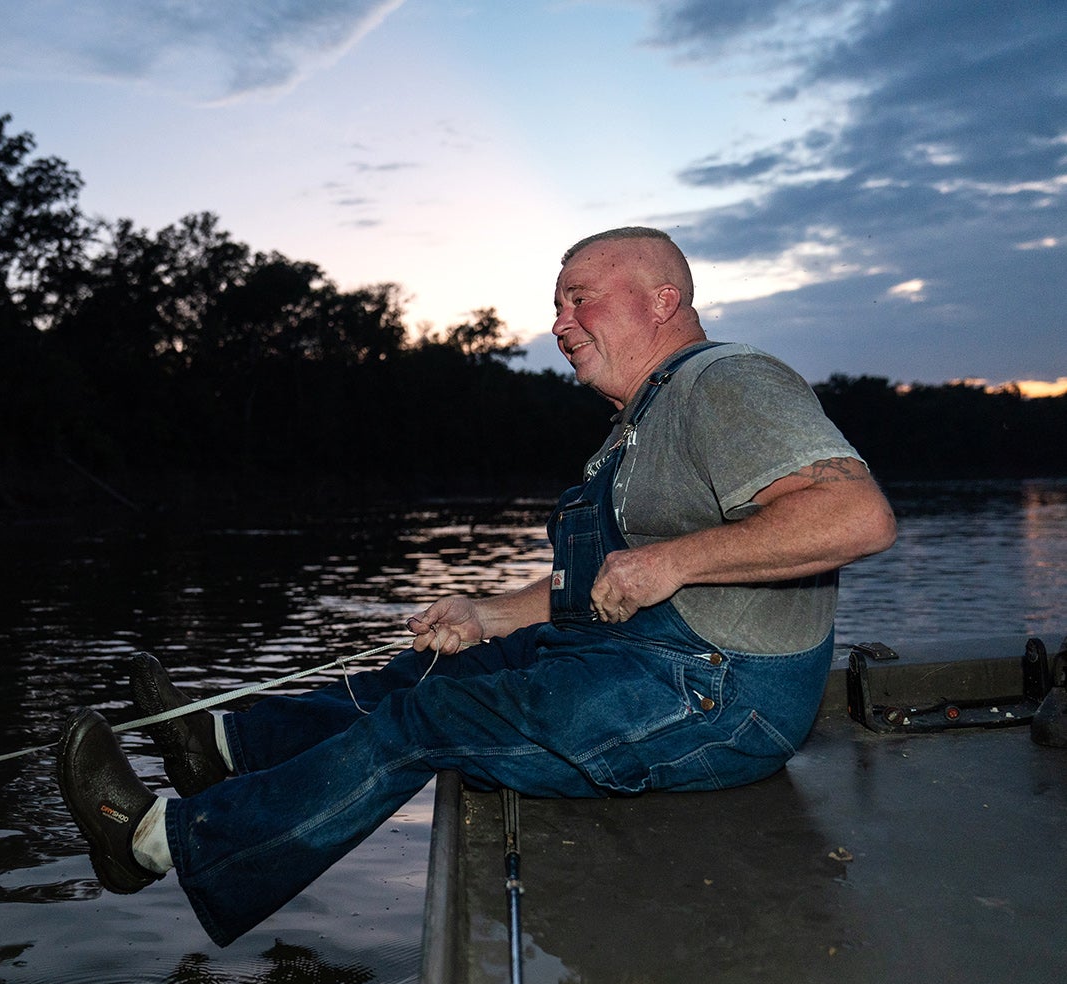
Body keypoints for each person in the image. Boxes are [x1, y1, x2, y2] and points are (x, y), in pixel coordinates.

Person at [55, 226, 898, 946]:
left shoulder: (732, 382)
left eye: (579, 300)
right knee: (435, 669)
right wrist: (489, 613)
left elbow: (855, 515)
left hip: (726, 700)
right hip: (655, 664)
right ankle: (226, 748)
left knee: (435, 720)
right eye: (558, 305)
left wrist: (672, 561)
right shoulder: (637, 424)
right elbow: (604, 581)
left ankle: (161, 846)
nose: (560, 323)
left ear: (662, 299)